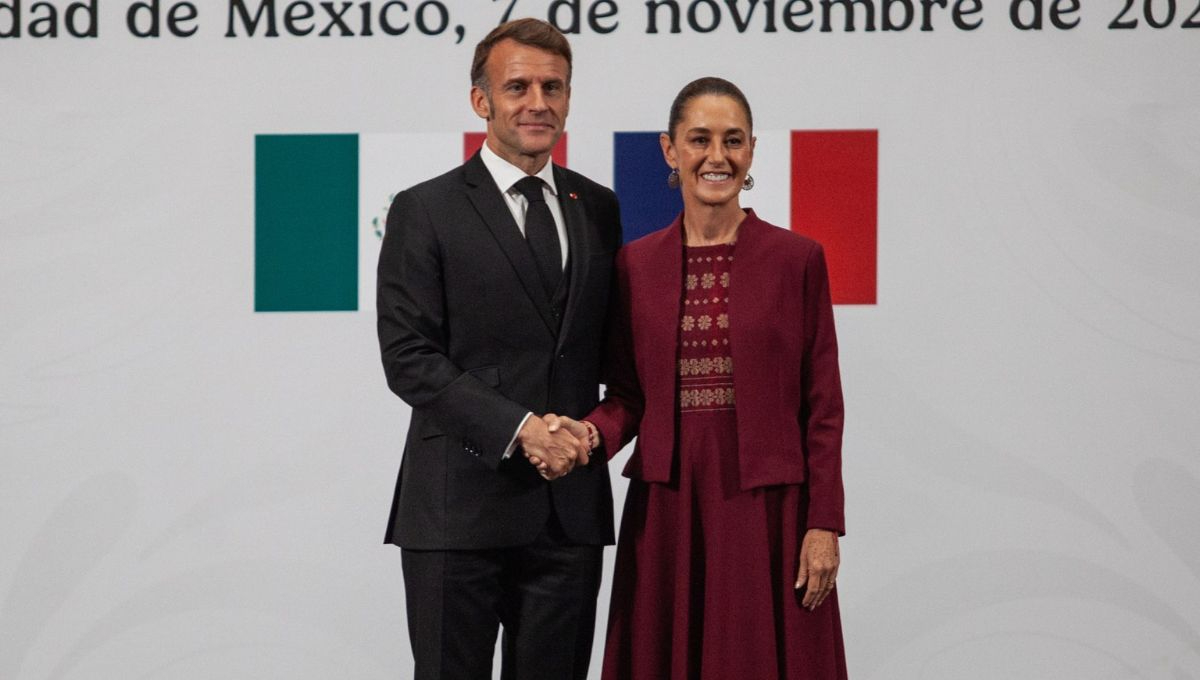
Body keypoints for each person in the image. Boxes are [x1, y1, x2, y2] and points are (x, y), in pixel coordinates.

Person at [546, 77, 848, 679]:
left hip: (771, 514)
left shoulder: (799, 260)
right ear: (669, 150)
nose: (717, 157)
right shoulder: (634, 264)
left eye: (733, 141)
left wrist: (824, 524)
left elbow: (823, 408)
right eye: (700, 140)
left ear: (752, 151)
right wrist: (585, 437)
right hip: (668, 510)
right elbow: (628, 396)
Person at [375, 18, 623, 680]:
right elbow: (409, 357)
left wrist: (588, 437)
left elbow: (620, 362)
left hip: (567, 516)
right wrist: (520, 430)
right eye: (518, 86)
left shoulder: (599, 208)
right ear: (481, 100)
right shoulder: (423, 210)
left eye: (553, 86)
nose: (537, 102)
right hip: (457, 512)